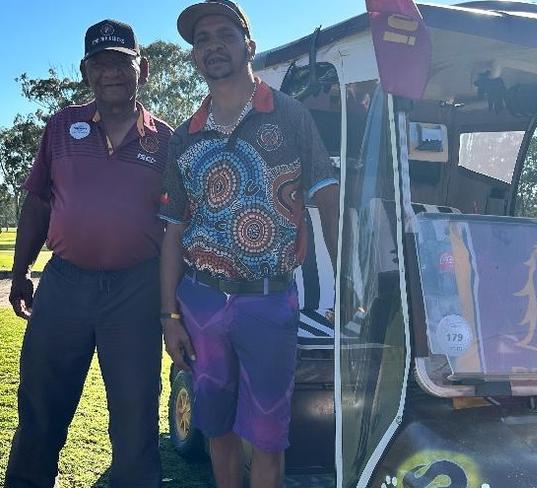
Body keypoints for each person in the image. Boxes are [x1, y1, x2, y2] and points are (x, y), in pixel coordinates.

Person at [159, 1, 339, 487]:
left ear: (248, 46)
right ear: (195, 57)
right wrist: (169, 316)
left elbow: (328, 197)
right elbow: (174, 229)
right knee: (215, 424)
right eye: (201, 40)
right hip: (200, 303)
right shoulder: (184, 137)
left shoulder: (291, 116)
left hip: (269, 301)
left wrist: (346, 281)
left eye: (224, 35)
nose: (212, 45)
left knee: (267, 435)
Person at [5, 19, 173, 488]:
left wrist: (174, 305)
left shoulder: (166, 140)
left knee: (136, 415)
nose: (111, 73)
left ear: (143, 67)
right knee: (40, 408)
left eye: (121, 62)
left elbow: (177, 224)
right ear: (85, 71)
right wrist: (20, 273)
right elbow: (38, 201)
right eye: (100, 64)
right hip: (64, 285)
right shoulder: (62, 126)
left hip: (135, 290)